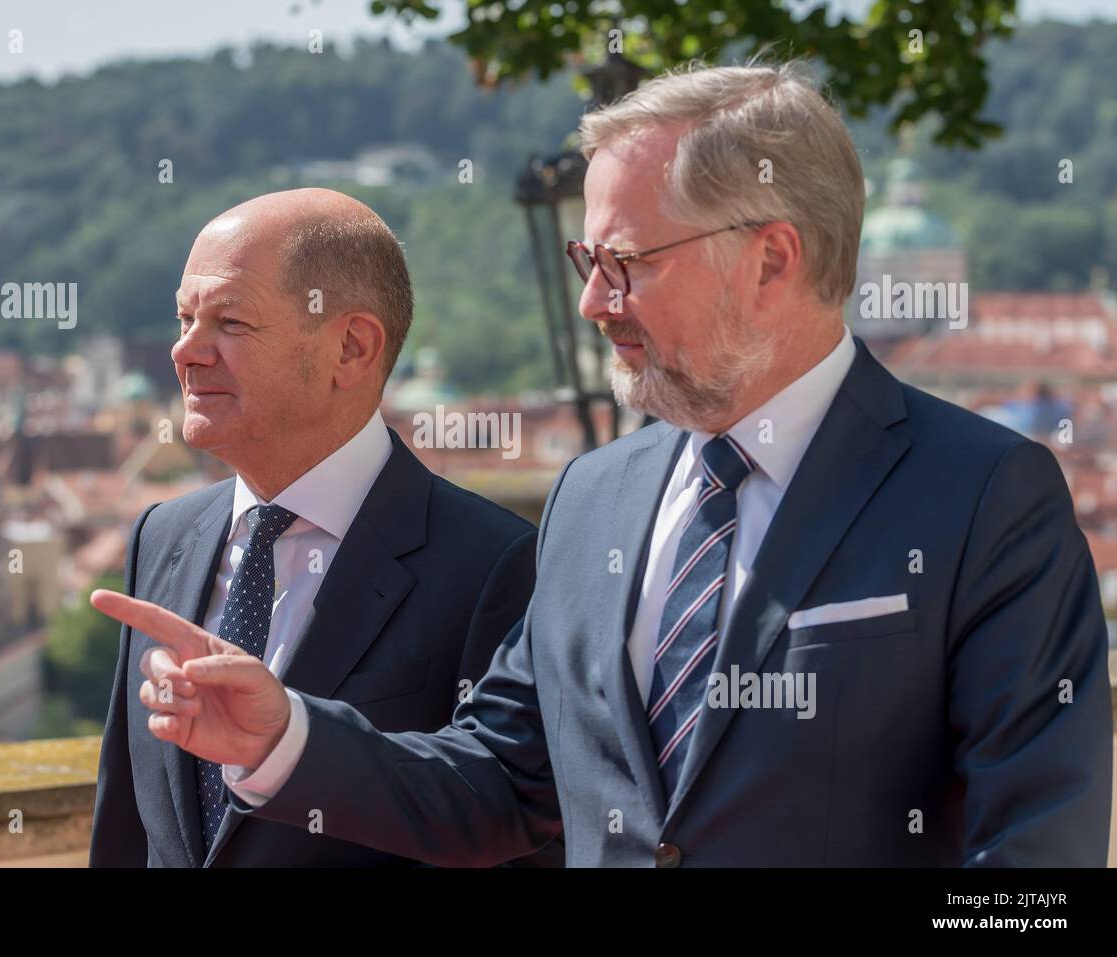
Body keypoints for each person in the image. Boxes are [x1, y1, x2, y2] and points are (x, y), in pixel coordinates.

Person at [92, 63, 1113, 866]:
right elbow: (499, 782)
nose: (593, 304)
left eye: (626, 265)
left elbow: (1033, 855)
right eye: (589, 264)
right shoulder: (595, 496)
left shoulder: (984, 495)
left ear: (770, 259)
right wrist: (287, 738)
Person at [88, 189, 555, 867]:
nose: (185, 351)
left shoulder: (497, 564)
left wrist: (290, 740)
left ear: (352, 347)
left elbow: (510, 825)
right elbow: (129, 827)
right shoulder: (162, 535)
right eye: (185, 318)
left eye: (230, 322)